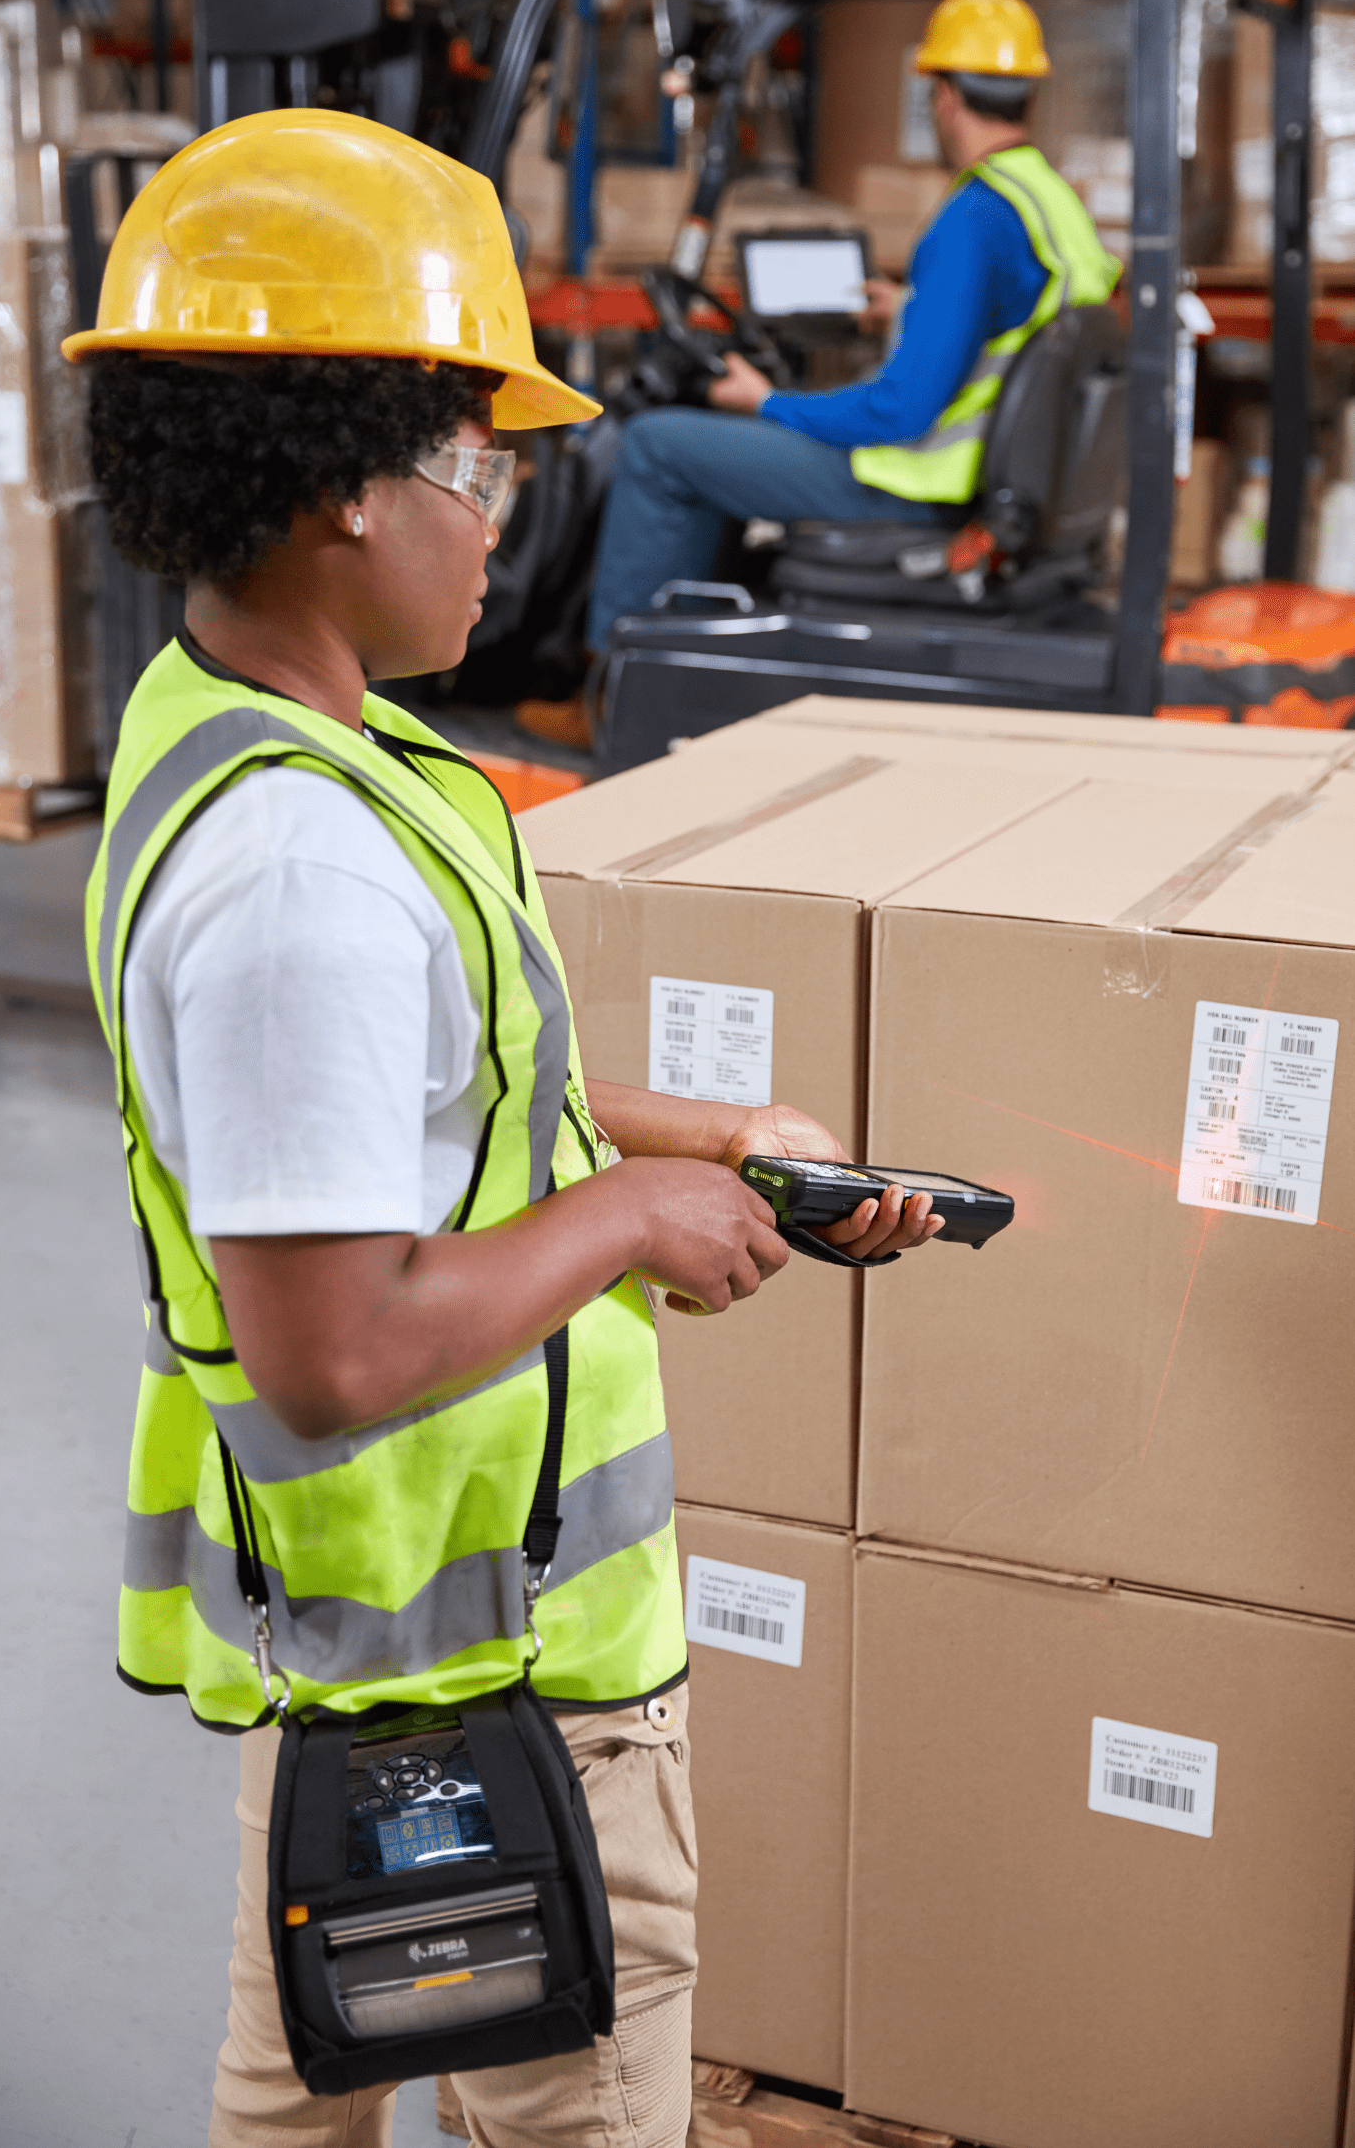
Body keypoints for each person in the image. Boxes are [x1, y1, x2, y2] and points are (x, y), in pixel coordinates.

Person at [64, 108, 943, 2148]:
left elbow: (434, 1104)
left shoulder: (275, 733)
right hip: (501, 1669)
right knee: (562, 2106)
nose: (507, 508)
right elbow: (335, 1345)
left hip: (378, 1654)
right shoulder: (303, 875)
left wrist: (709, 1140)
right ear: (345, 488)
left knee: (304, 2079)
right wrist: (632, 1219)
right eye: (481, 459)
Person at [584, 0, 1123, 656]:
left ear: (945, 98)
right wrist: (915, 312)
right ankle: (698, 642)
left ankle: (611, 679)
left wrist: (769, 401)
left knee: (657, 446)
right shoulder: (1051, 202)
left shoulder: (973, 218)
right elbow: (1024, 326)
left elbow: (898, 413)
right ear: (1032, 98)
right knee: (711, 445)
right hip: (1002, 484)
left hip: (918, 484)